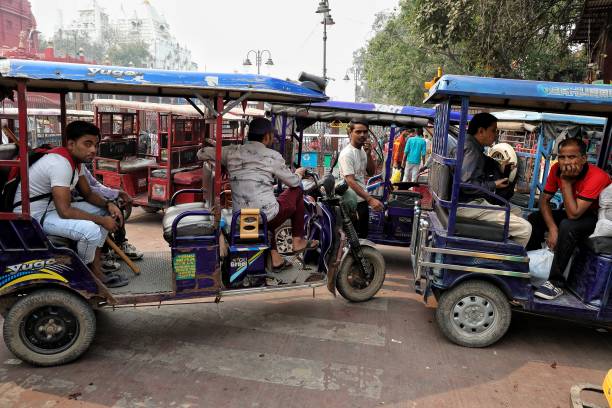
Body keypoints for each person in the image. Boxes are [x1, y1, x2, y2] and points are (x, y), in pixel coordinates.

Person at [13, 121, 127, 287]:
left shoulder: (75, 162)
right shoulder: (60, 164)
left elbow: (87, 194)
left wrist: (109, 204)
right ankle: (86, 275)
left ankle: (95, 267)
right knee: (91, 231)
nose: (93, 150)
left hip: (50, 209)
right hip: (34, 216)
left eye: (95, 145)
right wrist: (102, 221)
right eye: (87, 144)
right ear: (71, 144)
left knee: (104, 213)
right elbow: (65, 211)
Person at [198, 117, 317, 270]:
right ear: (267, 136)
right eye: (272, 136)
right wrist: (299, 173)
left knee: (269, 206)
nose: (273, 139)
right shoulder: (272, 156)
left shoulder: (231, 151)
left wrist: (219, 149)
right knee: (296, 191)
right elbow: (293, 182)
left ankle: (275, 258)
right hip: (264, 217)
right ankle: (297, 240)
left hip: (240, 218)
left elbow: (201, 154)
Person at [527, 138, 610, 300]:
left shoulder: (597, 176)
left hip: (597, 218)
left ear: (584, 159)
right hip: (575, 211)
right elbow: (544, 200)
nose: (566, 162)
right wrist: (552, 228)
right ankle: (531, 269)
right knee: (535, 217)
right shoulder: (556, 168)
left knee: (568, 224)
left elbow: (574, 214)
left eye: (572, 157)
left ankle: (556, 282)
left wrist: (565, 183)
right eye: (562, 157)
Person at [456, 112, 532, 246]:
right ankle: (505, 264)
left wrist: (500, 167)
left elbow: (487, 161)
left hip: (468, 202)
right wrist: (494, 184)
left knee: (517, 212)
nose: (495, 134)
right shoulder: (472, 149)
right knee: (525, 229)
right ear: (481, 131)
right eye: (493, 130)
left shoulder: (470, 145)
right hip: (467, 205)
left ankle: (500, 247)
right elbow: (466, 185)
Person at [76, 167, 144, 271]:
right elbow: (88, 190)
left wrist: (116, 194)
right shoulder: (69, 164)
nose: (93, 150)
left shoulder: (81, 166)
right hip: (76, 202)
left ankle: (120, 244)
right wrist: (116, 194)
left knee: (115, 204)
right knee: (110, 210)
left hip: (85, 199)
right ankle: (103, 253)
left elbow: (95, 184)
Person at [337, 120, 383, 238]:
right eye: (358, 132)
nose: (362, 135)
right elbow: (350, 180)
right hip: (352, 203)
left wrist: (368, 155)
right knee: (354, 238)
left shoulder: (362, 151)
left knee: (362, 236)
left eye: (365, 132)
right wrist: (370, 199)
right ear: (350, 133)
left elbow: (371, 172)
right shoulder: (347, 154)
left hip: (362, 199)